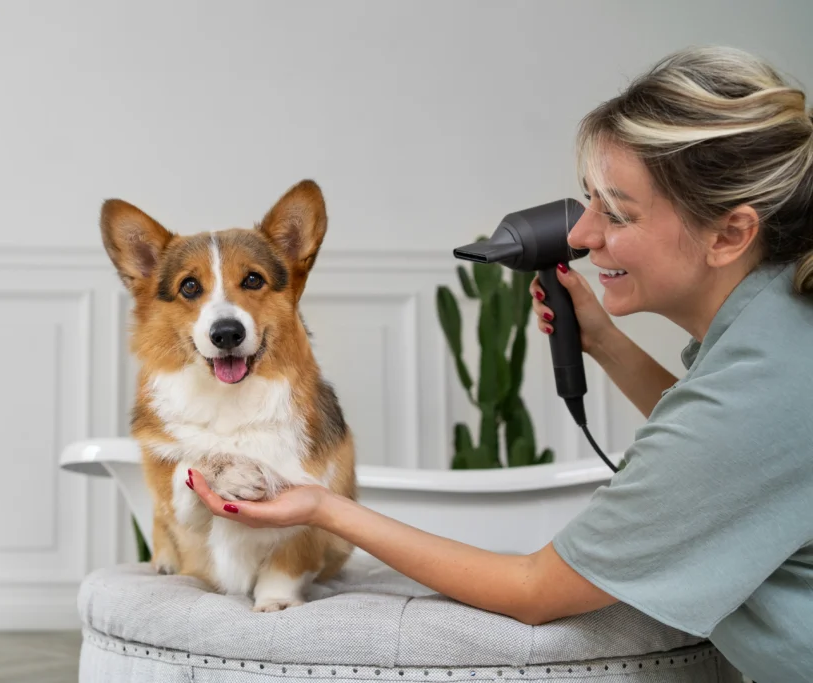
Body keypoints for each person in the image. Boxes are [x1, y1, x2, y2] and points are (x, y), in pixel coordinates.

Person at [189, 45, 813, 681]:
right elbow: (735, 461)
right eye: (589, 200)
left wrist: (322, 507)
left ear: (731, 233)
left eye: (618, 211)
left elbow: (535, 589)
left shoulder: (762, 386)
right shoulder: (780, 333)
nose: (582, 233)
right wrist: (606, 343)